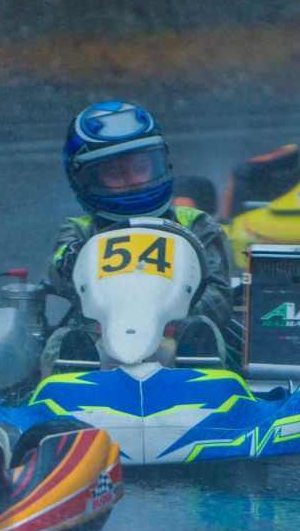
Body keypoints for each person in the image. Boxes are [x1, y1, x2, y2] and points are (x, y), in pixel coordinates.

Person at [50, 99, 234, 350]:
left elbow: (218, 298)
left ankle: (204, 382)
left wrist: (163, 312)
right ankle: (71, 382)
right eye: (116, 173)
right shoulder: (79, 230)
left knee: (204, 331)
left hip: (177, 330)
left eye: (141, 168)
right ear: (85, 180)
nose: (133, 180)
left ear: (161, 163)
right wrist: (70, 261)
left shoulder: (196, 224)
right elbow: (59, 269)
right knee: (60, 342)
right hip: (103, 335)